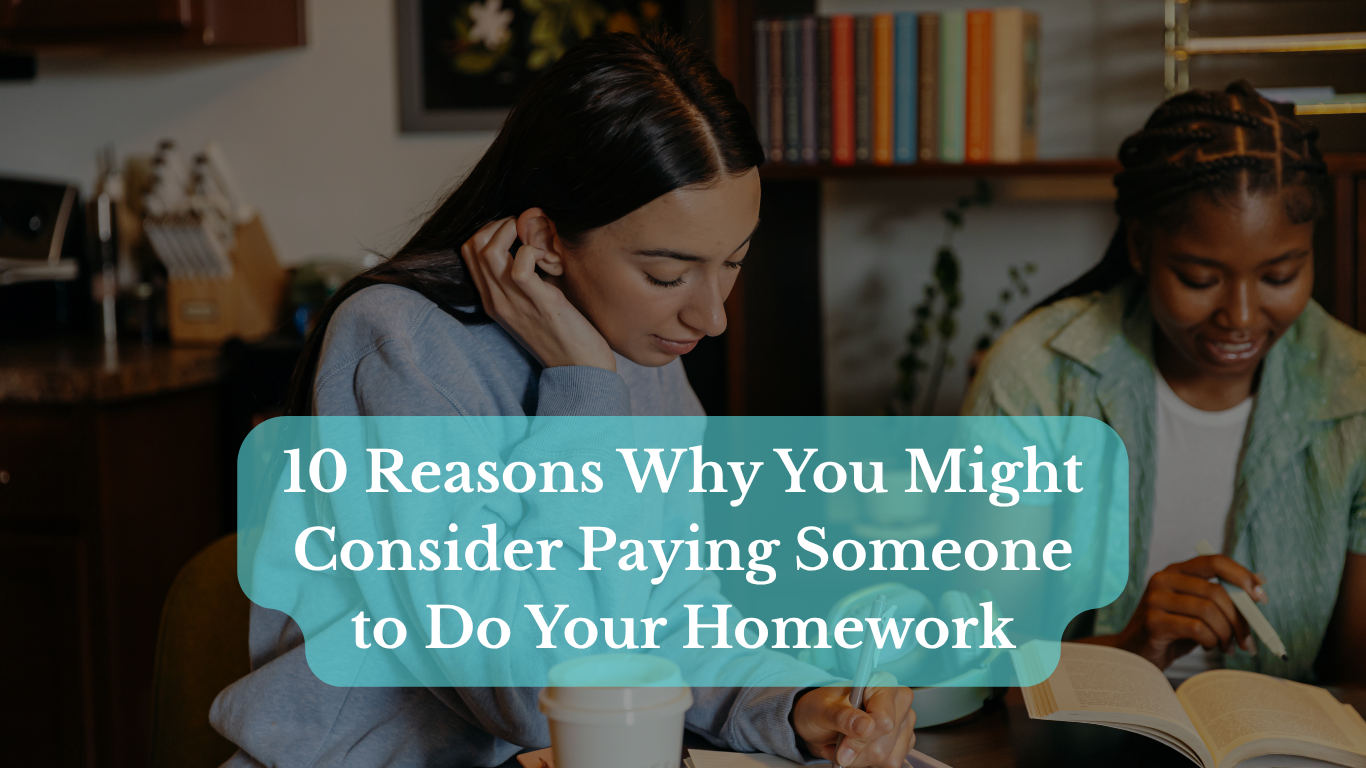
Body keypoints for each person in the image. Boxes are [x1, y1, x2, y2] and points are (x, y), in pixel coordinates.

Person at [211, 32, 916, 768]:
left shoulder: (641, 345)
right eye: (668, 275)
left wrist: (797, 704)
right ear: (546, 237)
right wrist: (583, 386)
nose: (712, 317)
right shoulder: (401, 348)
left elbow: (664, 611)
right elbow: (536, 688)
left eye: (733, 262)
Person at [965, 80, 1366, 684]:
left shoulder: (1355, 391)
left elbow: (1356, 684)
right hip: (1077, 733)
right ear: (1140, 246)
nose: (1241, 316)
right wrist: (1130, 648)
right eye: (1200, 279)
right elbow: (988, 669)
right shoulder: (1035, 377)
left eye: (1279, 277)